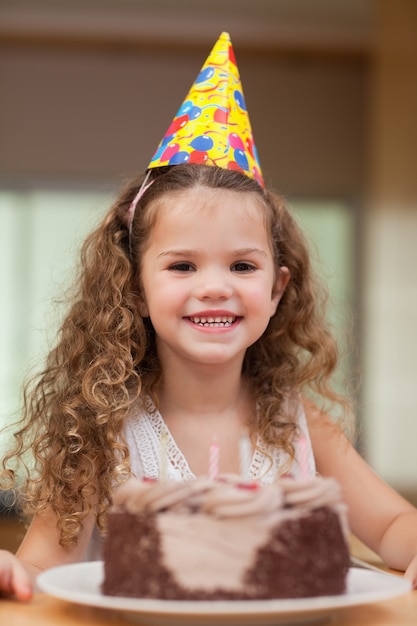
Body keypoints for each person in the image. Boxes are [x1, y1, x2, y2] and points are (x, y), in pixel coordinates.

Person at [2, 31, 417, 602]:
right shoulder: (101, 435)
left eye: (243, 267)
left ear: (277, 288)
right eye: (182, 267)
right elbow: (38, 571)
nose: (215, 288)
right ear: (135, 287)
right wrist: (8, 571)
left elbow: (395, 526)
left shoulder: (299, 423)